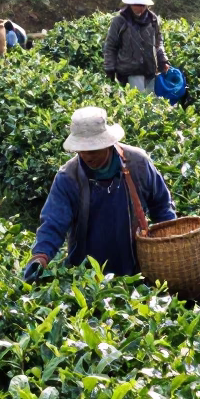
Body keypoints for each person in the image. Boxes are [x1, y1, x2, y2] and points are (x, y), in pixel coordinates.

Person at [23, 107, 175, 283]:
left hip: (137, 270)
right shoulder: (68, 177)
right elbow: (53, 222)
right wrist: (40, 256)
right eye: (81, 150)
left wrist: (170, 245)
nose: (87, 156)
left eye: (93, 150)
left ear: (107, 144)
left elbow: (162, 205)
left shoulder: (137, 163)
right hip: (86, 277)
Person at [103, 0, 169, 93]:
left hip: (150, 70)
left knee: (151, 101)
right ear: (130, 4)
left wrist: (163, 60)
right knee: (137, 100)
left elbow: (158, 43)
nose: (140, 8)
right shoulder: (120, 21)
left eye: (142, 5)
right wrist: (110, 69)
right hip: (130, 72)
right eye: (136, 5)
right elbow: (110, 46)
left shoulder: (153, 20)